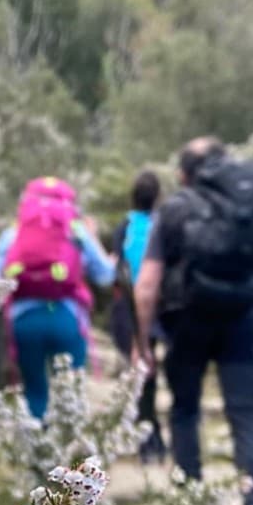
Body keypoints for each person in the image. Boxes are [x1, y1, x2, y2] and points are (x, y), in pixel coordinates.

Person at [133, 137, 253, 505]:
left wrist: (141, 342)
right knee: (246, 416)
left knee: (185, 411)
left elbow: (147, 283)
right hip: (243, 319)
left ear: (185, 174)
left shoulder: (175, 209)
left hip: (187, 320)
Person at [0, 177, 115, 420]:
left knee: (36, 391)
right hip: (67, 317)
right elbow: (105, 276)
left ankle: (38, 452)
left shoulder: (13, 232)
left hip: (24, 320)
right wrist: (94, 239)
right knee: (70, 393)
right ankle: (69, 453)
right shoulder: (76, 230)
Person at [108, 170, 167, 463]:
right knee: (147, 367)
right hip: (158, 304)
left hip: (128, 305)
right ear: (158, 197)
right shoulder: (162, 225)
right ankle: (150, 433)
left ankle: (145, 433)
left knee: (139, 369)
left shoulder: (125, 226)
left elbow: (116, 268)